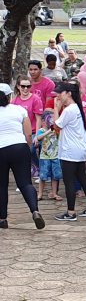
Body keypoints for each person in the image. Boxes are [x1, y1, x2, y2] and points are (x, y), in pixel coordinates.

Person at [51, 83, 86, 221]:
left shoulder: (69, 109)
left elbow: (56, 125)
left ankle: (70, 212)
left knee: (69, 181)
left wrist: (56, 108)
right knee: (82, 177)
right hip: (79, 149)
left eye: (60, 93)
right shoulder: (75, 107)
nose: (58, 96)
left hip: (70, 151)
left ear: (69, 93)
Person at [0, 83, 45, 229]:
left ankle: (2, 219)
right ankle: (35, 210)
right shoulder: (19, 110)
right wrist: (28, 148)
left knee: (2, 185)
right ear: (9, 96)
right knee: (25, 183)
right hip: (19, 147)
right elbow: (27, 134)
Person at [36, 111, 62, 202]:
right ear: (43, 121)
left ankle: (54, 193)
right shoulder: (41, 130)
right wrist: (48, 131)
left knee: (55, 176)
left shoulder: (56, 130)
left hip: (55, 156)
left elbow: (60, 135)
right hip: (44, 157)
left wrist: (55, 128)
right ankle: (40, 194)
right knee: (43, 176)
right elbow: (38, 138)